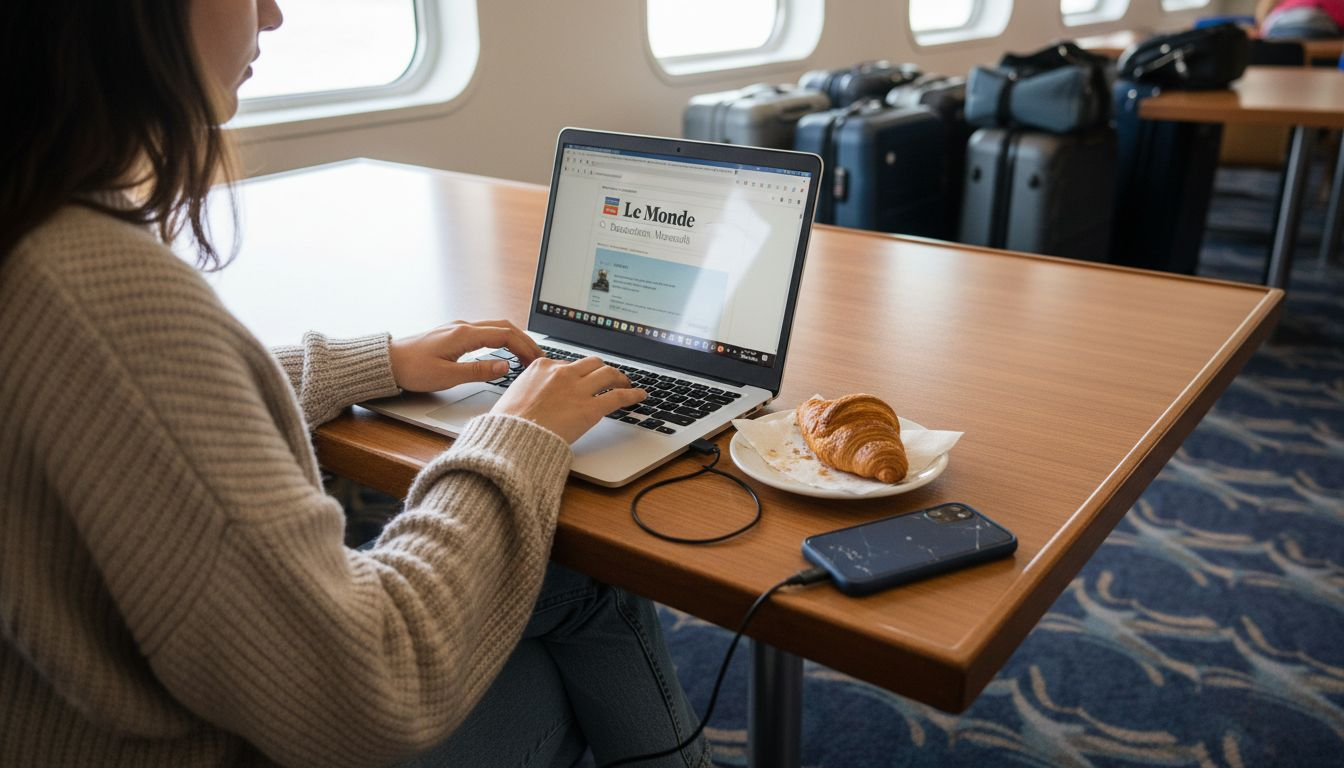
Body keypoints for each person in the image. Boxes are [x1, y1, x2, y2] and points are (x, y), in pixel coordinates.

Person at [0, 1, 710, 766]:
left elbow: (140, 413)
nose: (272, 14)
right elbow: (372, 689)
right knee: (582, 581)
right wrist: (519, 437)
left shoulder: (32, 234)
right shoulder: (99, 292)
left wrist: (375, 364)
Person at [1256, 0, 1344, 39]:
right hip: (1315, 26)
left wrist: (1263, 33)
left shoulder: (1283, 7)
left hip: (1276, 27)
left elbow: (1265, 24)